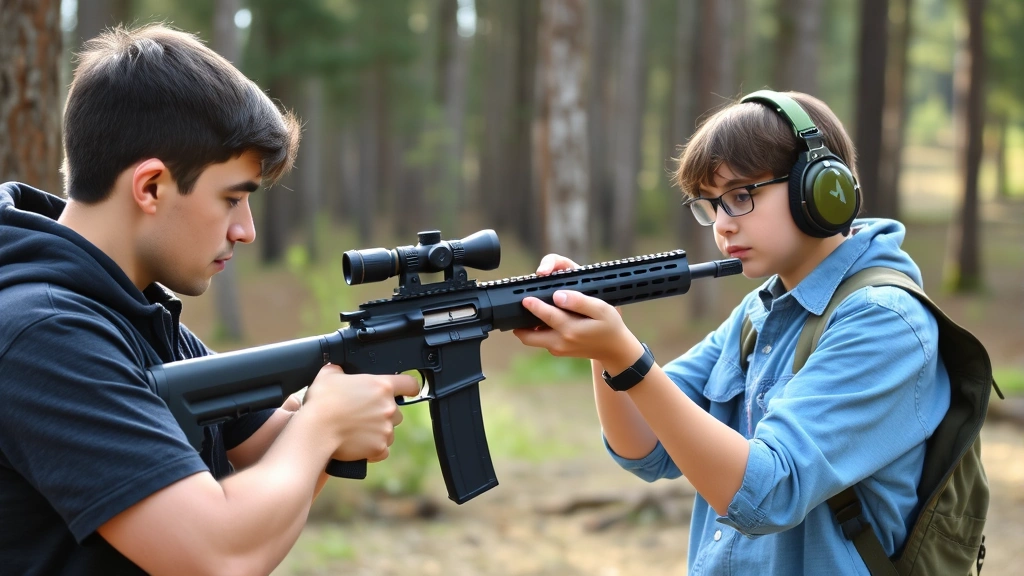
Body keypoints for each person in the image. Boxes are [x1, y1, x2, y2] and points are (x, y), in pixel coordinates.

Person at [0, 24, 419, 575]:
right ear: (150, 187)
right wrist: (324, 428)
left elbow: (264, 452)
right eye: (232, 199)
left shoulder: (135, 311)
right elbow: (217, 554)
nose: (245, 230)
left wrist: (332, 412)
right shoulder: (46, 333)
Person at [514, 90, 950, 575]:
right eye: (709, 206)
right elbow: (644, 449)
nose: (721, 226)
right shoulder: (758, 313)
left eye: (741, 197)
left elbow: (770, 492)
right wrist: (604, 346)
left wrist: (627, 358)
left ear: (822, 189)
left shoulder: (884, 321)